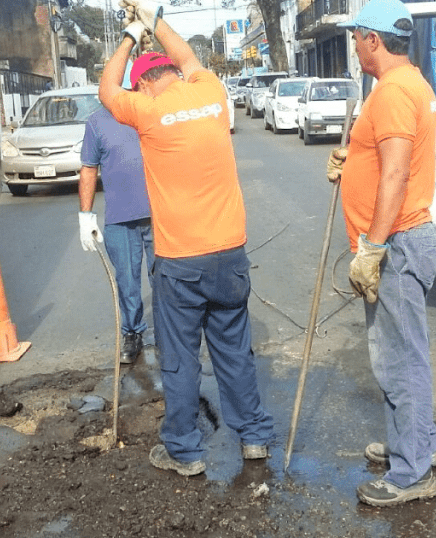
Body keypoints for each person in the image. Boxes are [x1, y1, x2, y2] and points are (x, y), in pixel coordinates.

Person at [98, 2, 274, 476]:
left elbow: (106, 88)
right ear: (175, 74)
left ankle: (185, 451)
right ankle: (254, 437)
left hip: (181, 263)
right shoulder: (212, 91)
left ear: (145, 83)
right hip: (229, 255)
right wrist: (155, 19)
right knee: (234, 352)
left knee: (178, 360)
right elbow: (191, 58)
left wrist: (132, 33)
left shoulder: (148, 111)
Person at [326, 0, 436, 507]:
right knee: (404, 354)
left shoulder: (393, 91)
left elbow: (395, 174)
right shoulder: (410, 83)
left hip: (395, 242)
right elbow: (391, 156)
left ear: (373, 40)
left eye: (356, 37)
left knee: (398, 360)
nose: (353, 45)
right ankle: (414, 445)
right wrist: (354, 158)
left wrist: (371, 248)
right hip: (404, 237)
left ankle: (411, 473)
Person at [78, 76, 155, 365]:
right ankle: (132, 332)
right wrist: (85, 215)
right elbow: (88, 169)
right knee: (127, 281)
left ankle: (171, 333)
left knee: (165, 278)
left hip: (159, 213)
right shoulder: (97, 123)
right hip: (120, 219)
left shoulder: (149, 112)